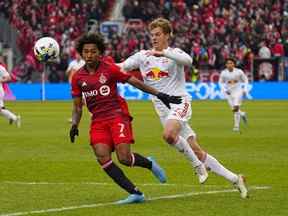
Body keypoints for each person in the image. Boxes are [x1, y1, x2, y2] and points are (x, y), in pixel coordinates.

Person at [118, 18, 248, 198]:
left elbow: (188, 60)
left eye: (158, 34)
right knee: (196, 150)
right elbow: (122, 67)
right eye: (152, 35)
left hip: (180, 102)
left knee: (168, 135)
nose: (154, 38)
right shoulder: (142, 56)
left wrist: (164, 54)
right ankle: (235, 179)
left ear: (167, 35)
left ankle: (198, 167)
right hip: (163, 110)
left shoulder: (174, 53)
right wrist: (102, 66)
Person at [69, 33, 182, 204]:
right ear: (81, 53)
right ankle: (135, 193)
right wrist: (74, 124)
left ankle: (150, 164)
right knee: (102, 157)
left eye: (93, 52)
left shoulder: (109, 69)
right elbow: (78, 106)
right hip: (98, 120)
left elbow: (134, 82)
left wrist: (160, 94)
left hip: (117, 115)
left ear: (100, 53)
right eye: (86, 52)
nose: (89, 55)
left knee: (124, 159)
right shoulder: (78, 77)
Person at [219, 58, 249, 132]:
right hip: (229, 93)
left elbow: (246, 80)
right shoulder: (224, 73)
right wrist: (225, 90)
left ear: (234, 64)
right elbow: (220, 82)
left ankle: (236, 127)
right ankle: (242, 114)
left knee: (236, 107)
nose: (229, 65)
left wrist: (245, 89)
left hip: (238, 91)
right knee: (234, 109)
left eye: (231, 63)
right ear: (226, 65)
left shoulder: (239, 72)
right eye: (228, 63)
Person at [0, 57, 21, 127]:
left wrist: (1, 81)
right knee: (1, 109)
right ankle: (12, 117)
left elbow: (8, 78)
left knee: (1, 110)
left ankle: (15, 118)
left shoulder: (1, 68)